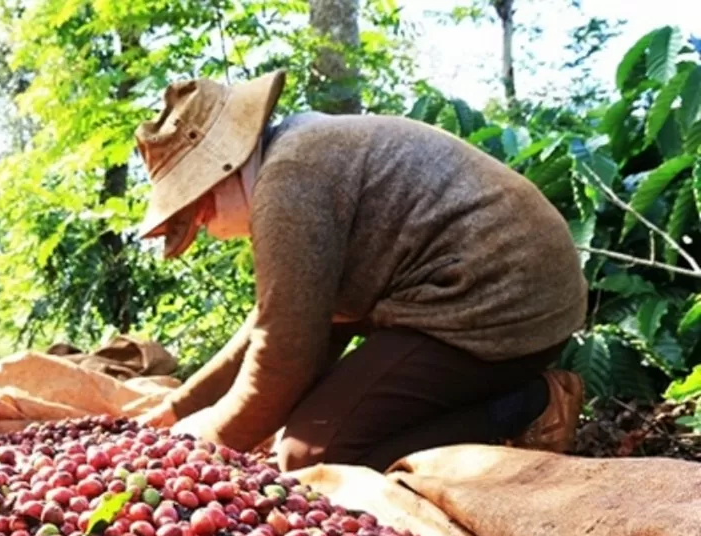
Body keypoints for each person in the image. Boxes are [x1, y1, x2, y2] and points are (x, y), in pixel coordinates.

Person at [133, 72, 588, 472]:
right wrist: (177, 411)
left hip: (498, 304)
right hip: (484, 292)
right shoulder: (292, 157)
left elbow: (282, 361)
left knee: (315, 455)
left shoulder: (289, 182)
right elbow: (273, 323)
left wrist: (201, 449)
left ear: (223, 170)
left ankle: (527, 407)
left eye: (198, 212)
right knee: (301, 424)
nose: (206, 228)